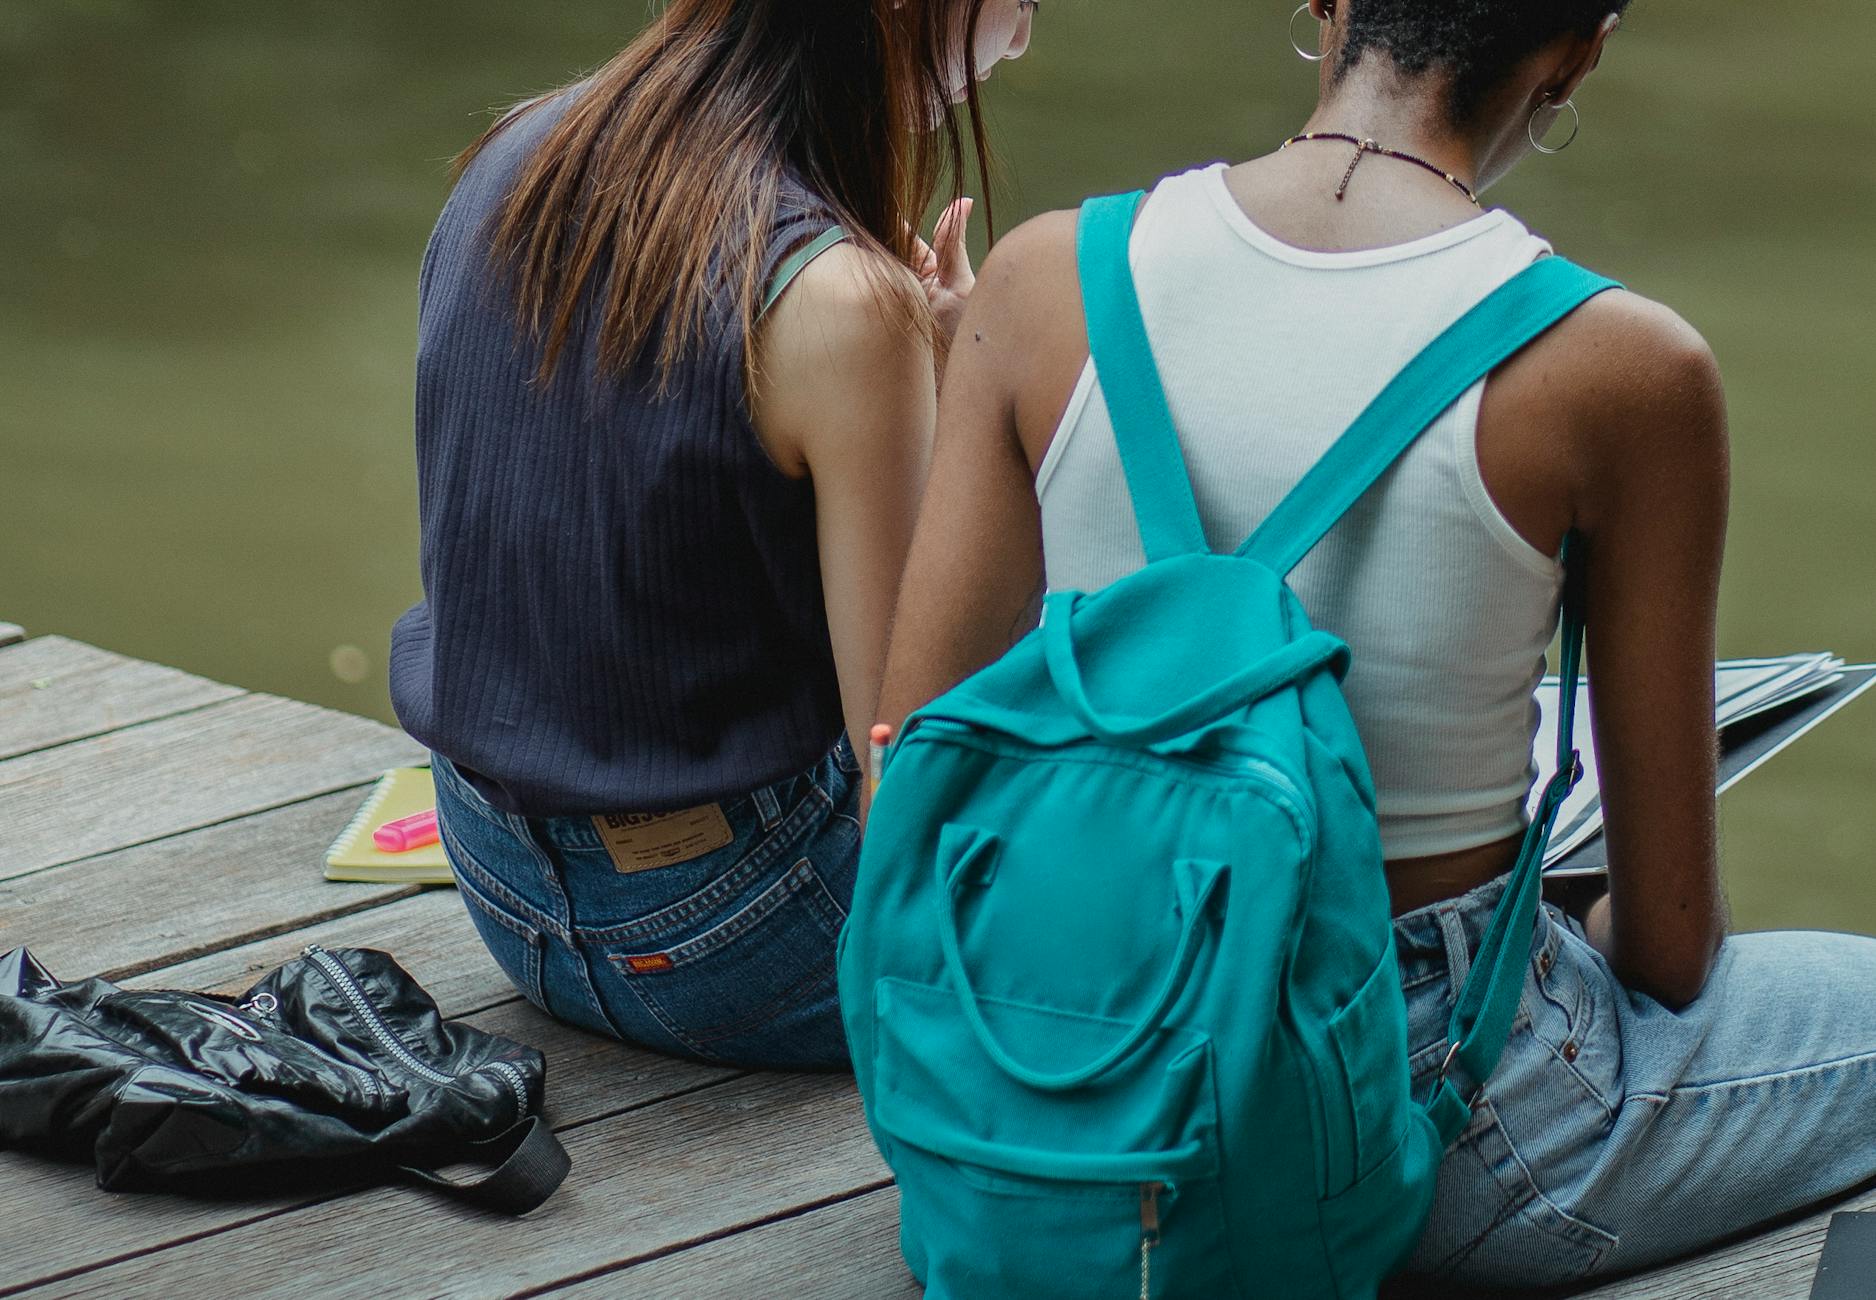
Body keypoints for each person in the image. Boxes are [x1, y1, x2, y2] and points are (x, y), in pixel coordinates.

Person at [870, 0, 1876, 1288]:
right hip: (1407, 1113)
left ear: (1324, 5)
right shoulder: (1620, 365)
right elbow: (1672, 953)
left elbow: (913, 768)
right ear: (1579, 50)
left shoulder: (1040, 278)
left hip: (1041, 1068)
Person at [389, 0, 1036, 1070]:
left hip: (497, 881)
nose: (1020, 39)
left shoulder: (520, 147)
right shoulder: (844, 303)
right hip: (729, 938)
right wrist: (975, 400)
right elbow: (915, 764)